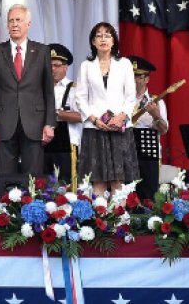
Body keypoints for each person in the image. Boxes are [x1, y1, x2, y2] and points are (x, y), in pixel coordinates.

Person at [0, 4, 55, 175]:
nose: (14, 24)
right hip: (4, 122)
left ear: (28, 24)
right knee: (5, 178)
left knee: (34, 179)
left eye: (18, 20)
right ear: (7, 25)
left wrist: (49, 123)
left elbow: (48, 91)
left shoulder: (42, 51)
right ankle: (7, 203)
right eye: (11, 21)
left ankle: (33, 203)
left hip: (35, 123)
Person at [74, 22, 137, 195]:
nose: (103, 39)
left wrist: (122, 116)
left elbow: (130, 96)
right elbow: (80, 97)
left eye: (107, 35)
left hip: (119, 127)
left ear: (114, 41)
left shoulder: (124, 64)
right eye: (99, 35)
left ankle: (119, 219)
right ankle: (100, 218)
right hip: (95, 129)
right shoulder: (86, 66)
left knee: (118, 180)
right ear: (93, 42)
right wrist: (94, 119)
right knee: (98, 179)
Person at [127, 55, 168, 201]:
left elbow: (164, 130)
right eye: (131, 75)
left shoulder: (156, 101)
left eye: (138, 76)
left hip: (148, 154)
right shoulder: (120, 99)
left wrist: (156, 115)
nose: (134, 79)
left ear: (146, 79)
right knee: (124, 195)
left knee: (148, 196)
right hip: (125, 153)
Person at [43, 43, 81, 179]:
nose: (52, 69)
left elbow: (82, 116)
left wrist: (55, 113)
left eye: (57, 65)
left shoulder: (75, 89)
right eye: (49, 65)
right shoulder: (38, 88)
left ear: (66, 66)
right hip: (41, 144)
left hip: (66, 145)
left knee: (65, 186)